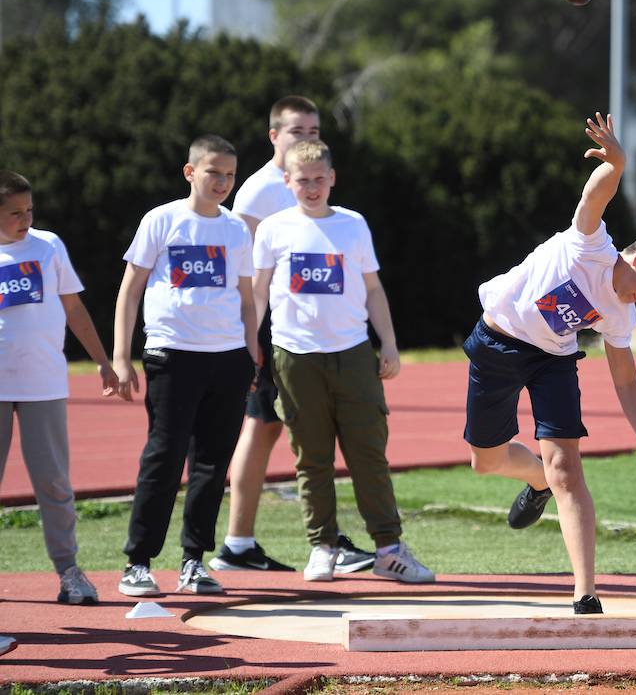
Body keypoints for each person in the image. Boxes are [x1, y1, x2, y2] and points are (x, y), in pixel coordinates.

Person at [464, 112, 636, 614]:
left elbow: (627, 383)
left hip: (553, 360)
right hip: (498, 341)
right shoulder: (590, 246)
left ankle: (585, 593)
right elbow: (596, 196)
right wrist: (618, 163)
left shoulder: (619, 316)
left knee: (567, 468)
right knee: (486, 460)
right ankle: (534, 478)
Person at [253, 139, 434, 584]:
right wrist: (246, 347)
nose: (311, 188)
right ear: (287, 181)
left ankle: (389, 549)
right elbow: (257, 293)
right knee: (312, 459)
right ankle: (322, 546)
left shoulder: (353, 225)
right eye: (303, 181)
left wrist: (388, 343)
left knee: (368, 455)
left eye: (319, 179)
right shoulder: (273, 229)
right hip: (294, 357)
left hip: (353, 354)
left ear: (332, 178)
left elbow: (372, 289)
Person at [211, 95, 374, 575]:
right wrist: (247, 334)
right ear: (273, 136)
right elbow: (244, 267)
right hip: (274, 329)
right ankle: (243, 542)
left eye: (314, 130)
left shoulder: (307, 180)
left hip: (302, 330)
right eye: (298, 131)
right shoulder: (262, 191)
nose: (308, 138)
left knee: (271, 428)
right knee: (264, 427)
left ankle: (242, 543)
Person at [113, 135, 258, 597]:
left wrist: (250, 354)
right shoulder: (162, 219)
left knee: (213, 464)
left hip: (229, 358)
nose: (223, 182)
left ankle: (194, 561)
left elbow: (247, 298)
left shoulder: (235, 229)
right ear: (190, 172)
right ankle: (138, 563)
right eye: (214, 172)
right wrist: (120, 356)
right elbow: (130, 290)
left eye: (230, 174)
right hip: (172, 353)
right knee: (164, 455)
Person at [0, 170, 117, 605]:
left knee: (53, 483)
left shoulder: (49, 247)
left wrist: (103, 362)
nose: (25, 218)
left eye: (29, 209)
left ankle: (69, 572)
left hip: (44, 383)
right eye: (14, 212)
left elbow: (74, 307)